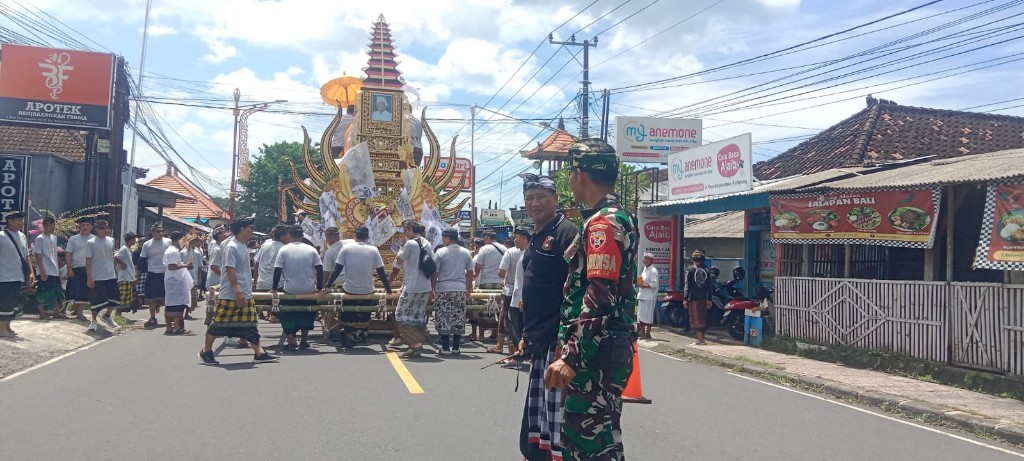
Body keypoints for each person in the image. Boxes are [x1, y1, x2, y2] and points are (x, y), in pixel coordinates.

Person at [546, 138, 638, 461]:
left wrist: (572, 357)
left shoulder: (603, 224)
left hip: (593, 357)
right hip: (600, 351)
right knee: (601, 441)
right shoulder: (610, 217)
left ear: (580, 175)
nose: (569, 179)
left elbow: (599, 297)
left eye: (570, 171)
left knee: (586, 445)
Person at [517, 174, 577, 461]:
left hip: (557, 341)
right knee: (539, 416)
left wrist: (565, 342)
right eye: (530, 198)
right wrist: (525, 336)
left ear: (555, 199)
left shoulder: (566, 232)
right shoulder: (537, 236)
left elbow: (576, 292)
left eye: (542, 197)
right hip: (538, 339)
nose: (535, 203)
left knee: (555, 422)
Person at [199, 218, 278, 365]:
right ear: (242, 229)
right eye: (250, 227)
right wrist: (237, 290)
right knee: (218, 325)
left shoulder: (241, 245)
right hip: (231, 293)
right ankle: (207, 351)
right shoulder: (232, 246)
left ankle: (259, 352)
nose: (252, 230)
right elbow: (230, 269)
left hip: (245, 291)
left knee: (250, 324)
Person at [324, 226, 392, 345]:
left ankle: (349, 336)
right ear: (367, 237)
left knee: (347, 313)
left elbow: (337, 270)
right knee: (364, 312)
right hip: (368, 289)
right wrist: (389, 290)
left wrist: (327, 286)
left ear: (355, 236)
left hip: (350, 289)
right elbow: (381, 272)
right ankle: (361, 332)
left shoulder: (346, 249)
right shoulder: (373, 250)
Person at [272, 225, 324, 351]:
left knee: (289, 315)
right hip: (309, 288)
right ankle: (304, 340)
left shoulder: (284, 250)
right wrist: (320, 287)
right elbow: (320, 269)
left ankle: (290, 338)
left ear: (290, 235)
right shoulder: (311, 250)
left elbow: (277, 270)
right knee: (307, 314)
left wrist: (274, 288)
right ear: (302, 236)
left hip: (290, 289)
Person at [387, 220, 433, 358]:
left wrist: (401, 246)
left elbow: (399, 261)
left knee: (400, 315)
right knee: (416, 316)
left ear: (409, 229)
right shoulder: (426, 242)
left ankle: (414, 343)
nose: (404, 233)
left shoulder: (411, 243)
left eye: (405, 231)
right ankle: (418, 339)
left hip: (412, 285)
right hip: (425, 285)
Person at [431, 228, 473, 356]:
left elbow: (435, 273)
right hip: (460, 288)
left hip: (444, 288)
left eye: (443, 238)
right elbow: (470, 273)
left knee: (444, 316)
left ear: (448, 238)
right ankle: (456, 347)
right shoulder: (466, 252)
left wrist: (433, 289)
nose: (443, 241)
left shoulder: (440, 252)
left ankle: (445, 347)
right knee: (458, 318)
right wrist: (468, 290)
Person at [494, 227, 528, 357]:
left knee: (510, 324)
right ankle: (517, 354)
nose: (514, 240)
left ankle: (513, 355)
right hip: (519, 294)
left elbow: (501, 272)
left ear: (524, 238)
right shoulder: (525, 253)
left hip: (515, 293)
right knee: (517, 325)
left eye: (516, 237)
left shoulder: (517, 253)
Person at [0, 211, 33, 337]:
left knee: (14, 303)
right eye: (19, 220)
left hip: (18, 276)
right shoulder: (2, 236)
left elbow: (26, 256)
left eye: (22, 220)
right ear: (10, 221)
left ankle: (7, 327)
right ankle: (1, 329)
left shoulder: (22, 236)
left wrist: (30, 273)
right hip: (4, 276)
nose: (22, 223)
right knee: (5, 302)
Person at [84, 220, 120, 332]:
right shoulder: (91, 242)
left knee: (115, 298)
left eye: (106, 228)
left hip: (110, 274)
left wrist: (115, 271)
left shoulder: (111, 240)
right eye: (102, 228)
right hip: (97, 276)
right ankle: (94, 321)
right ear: (97, 230)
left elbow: (111, 257)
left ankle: (108, 315)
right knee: (96, 300)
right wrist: (89, 277)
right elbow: (88, 261)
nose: (105, 230)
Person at [140, 223, 172, 327]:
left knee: (167, 296)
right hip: (152, 272)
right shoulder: (147, 244)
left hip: (165, 272)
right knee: (151, 297)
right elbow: (142, 259)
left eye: (162, 231)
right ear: (153, 232)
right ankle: (152, 317)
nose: (160, 233)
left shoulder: (168, 242)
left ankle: (169, 317)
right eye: (158, 231)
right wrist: (138, 274)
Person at [163, 231, 194, 335]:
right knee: (176, 303)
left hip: (173, 279)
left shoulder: (172, 250)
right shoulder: (173, 251)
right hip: (174, 280)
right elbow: (172, 266)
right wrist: (186, 265)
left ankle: (169, 327)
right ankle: (175, 327)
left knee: (171, 303)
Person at [65, 217, 94, 321]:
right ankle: (64, 311)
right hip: (76, 268)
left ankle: (80, 313)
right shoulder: (73, 239)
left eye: (87, 225)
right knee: (72, 290)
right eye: (83, 225)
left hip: (89, 269)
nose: (85, 227)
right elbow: (68, 254)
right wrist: (69, 268)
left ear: (91, 227)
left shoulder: (94, 239)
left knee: (84, 292)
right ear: (79, 227)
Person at [32, 217, 61, 319]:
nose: (52, 228)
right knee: (43, 292)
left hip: (54, 270)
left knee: (57, 291)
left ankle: (57, 312)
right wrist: (42, 270)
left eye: (53, 225)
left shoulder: (54, 238)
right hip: (45, 269)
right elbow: (38, 255)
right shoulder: (40, 238)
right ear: (44, 226)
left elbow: (54, 254)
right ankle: (42, 312)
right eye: (49, 225)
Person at [685, 250, 713, 346]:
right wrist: (709, 299)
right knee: (702, 318)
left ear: (692, 259)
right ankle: (702, 339)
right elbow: (709, 286)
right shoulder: (707, 270)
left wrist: (685, 298)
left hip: (694, 297)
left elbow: (687, 285)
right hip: (704, 298)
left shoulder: (690, 270)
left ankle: (700, 340)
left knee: (696, 318)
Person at [255, 224, 289, 292]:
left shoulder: (264, 245)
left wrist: (255, 282)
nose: (289, 237)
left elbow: (256, 263)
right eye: (288, 235)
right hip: (279, 286)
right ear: (282, 236)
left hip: (261, 285)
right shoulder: (285, 248)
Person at [114, 232, 138, 318]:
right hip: (124, 276)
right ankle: (117, 314)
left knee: (128, 296)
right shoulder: (123, 249)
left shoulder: (128, 249)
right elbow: (116, 257)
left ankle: (119, 314)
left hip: (129, 276)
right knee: (123, 295)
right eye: (134, 239)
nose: (135, 241)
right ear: (131, 240)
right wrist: (123, 264)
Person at [637, 252, 659, 340]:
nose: (645, 260)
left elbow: (654, 284)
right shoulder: (644, 269)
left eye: (647, 259)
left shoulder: (653, 271)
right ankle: (642, 332)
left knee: (648, 316)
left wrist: (644, 285)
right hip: (642, 295)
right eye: (644, 258)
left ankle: (648, 333)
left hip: (649, 296)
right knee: (641, 316)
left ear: (652, 260)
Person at [183, 237, 204, 320]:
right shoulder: (182, 252)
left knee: (193, 297)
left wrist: (199, 278)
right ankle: (182, 313)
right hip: (184, 277)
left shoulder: (197, 253)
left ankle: (187, 312)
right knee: (184, 296)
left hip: (193, 277)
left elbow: (199, 267)